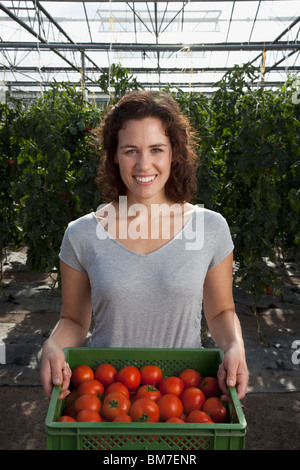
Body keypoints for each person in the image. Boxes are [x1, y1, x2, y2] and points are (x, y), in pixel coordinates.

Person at [40, 90, 249, 403]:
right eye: (130, 151)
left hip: (183, 395)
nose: (143, 164)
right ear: (113, 154)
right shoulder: (82, 234)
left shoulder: (210, 228)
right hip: (104, 395)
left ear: (173, 153)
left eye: (156, 149)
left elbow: (221, 311)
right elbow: (74, 319)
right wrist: (53, 345)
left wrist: (235, 346)